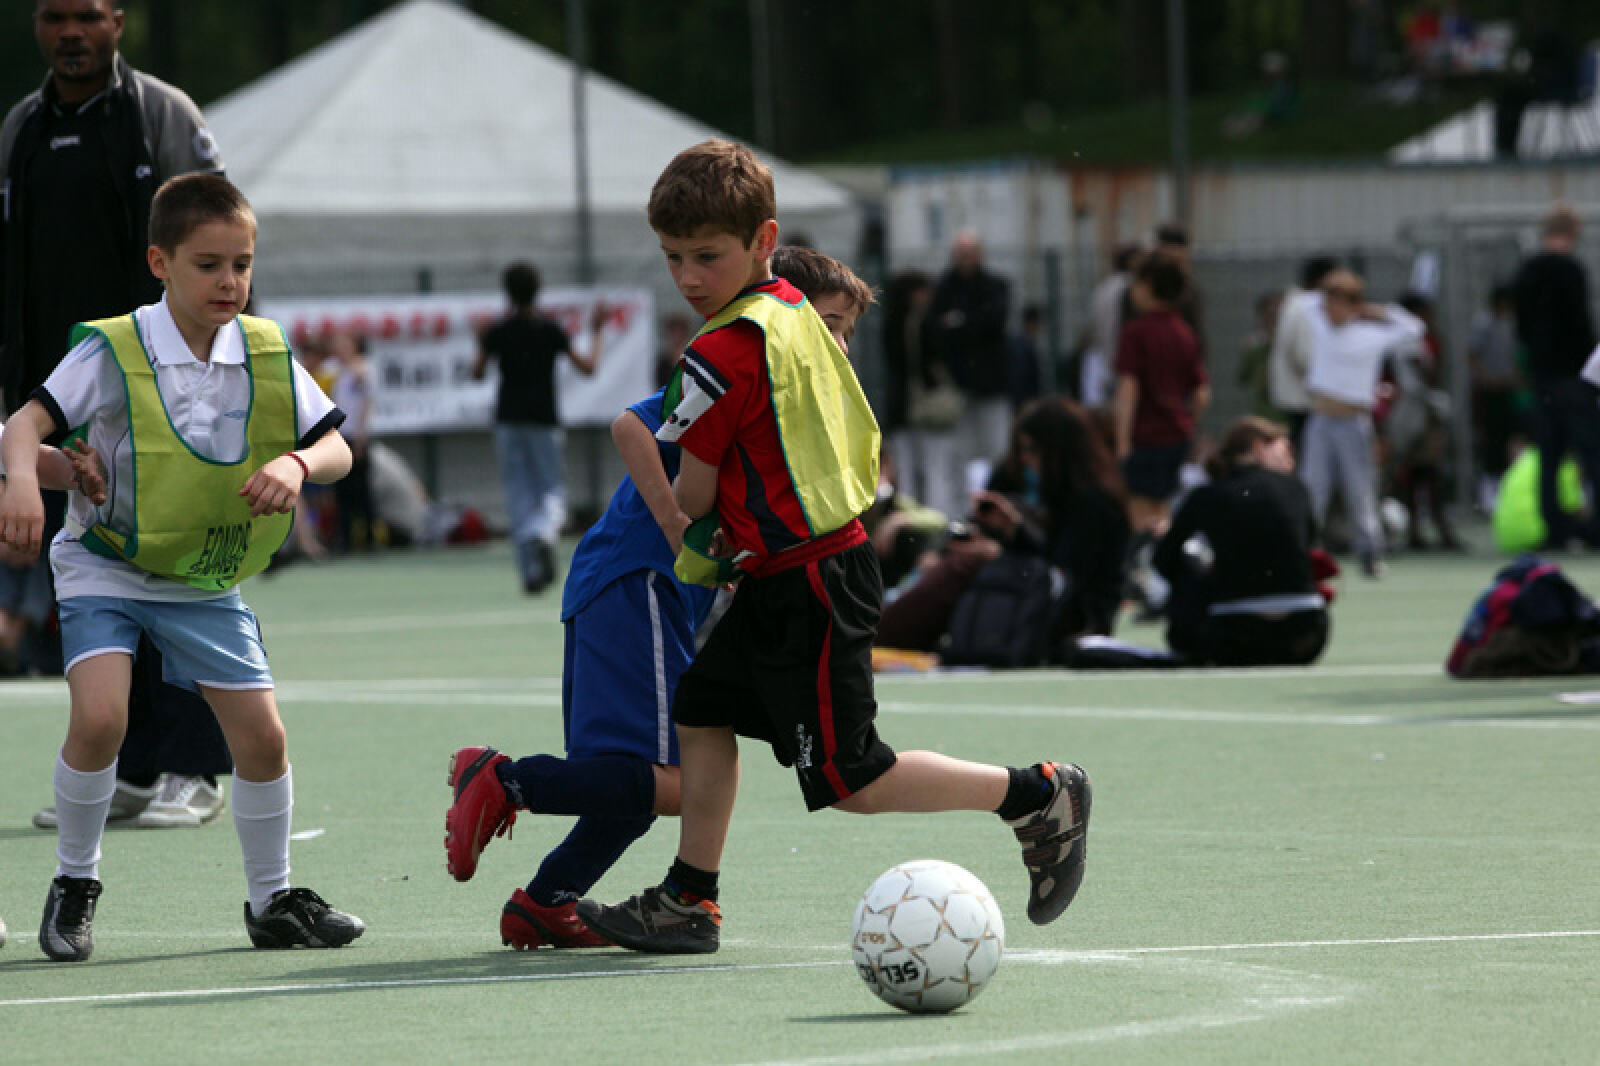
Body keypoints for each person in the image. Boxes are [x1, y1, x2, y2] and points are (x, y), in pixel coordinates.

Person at [533, 140, 1086, 955]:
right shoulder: (791, 309)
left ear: (763, 240)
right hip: (802, 568)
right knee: (702, 710)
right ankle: (689, 898)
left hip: (811, 581)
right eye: (674, 257)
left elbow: (695, 494)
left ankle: (1037, 795)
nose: (688, 277)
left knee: (854, 778)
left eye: (706, 256)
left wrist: (693, 520)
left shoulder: (717, 352)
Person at [441, 243, 877, 951]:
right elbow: (631, 426)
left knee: (637, 781)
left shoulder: (797, 401)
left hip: (634, 588)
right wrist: (677, 526)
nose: (839, 345)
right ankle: (506, 781)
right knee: (678, 782)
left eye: (847, 333)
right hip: (638, 579)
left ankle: (547, 902)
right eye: (828, 324)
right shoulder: (744, 362)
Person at [0, 173, 363, 961]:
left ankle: (272, 901)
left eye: (242, 264)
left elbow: (337, 445)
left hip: (201, 573)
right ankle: (74, 882)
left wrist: (298, 463)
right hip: (107, 562)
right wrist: (25, 481)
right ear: (160, 263)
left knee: (262, 740)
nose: (229, 281)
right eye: (209, 265)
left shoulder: (264, 350)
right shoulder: (115, 348)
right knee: (102, 719)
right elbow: (23, 426)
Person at [4, 0, 235, 830]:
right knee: (97, 572)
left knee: (177, 568)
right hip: (65, 390)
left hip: (163, 387)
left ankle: (195, 768)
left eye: (87, 16)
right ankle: (132, 769)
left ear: (118, 22)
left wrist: (216, 371)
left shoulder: (162, 115)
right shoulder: (22, 129)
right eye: (54, 16)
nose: (70, 32)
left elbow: (220, 238)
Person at [876, 396, 1131, 658]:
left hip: (1073, 618)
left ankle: (882, 633)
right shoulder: (1029, 482)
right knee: (959, 560)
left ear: (1059, 451)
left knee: (966, 566)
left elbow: (1062, 576)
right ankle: (889, 628)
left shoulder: (1093, 503)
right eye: (1022, 450)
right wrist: (1012, 531)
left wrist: (1000, 552)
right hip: (1039, 602)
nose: (1026, 460)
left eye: (1032, 450)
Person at [1154, 417, 1331, 666]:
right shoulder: (1297, 489)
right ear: (1259, 447)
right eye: (1284, 453)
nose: (1290, 463)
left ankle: (1186, 643)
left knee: (1189, 560)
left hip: (1235, 638)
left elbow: (1163, 559)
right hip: (1307, 636)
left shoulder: (1208, 494)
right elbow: (1310, 548)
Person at [473, 261, 602, 594]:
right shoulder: (549, 329)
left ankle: (529, 572)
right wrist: (598, 331)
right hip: (544, 420)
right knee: (550, 488)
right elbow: (588, 368)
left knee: (518, 493)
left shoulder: (499, 331)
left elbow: (476, 372)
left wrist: (479, 341)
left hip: (508, 420)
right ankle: (543, 533)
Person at [1299, 270, 1425, 579]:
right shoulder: (1320, 324)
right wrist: (1330, 291)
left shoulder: (1371, 335)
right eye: (1328, 303)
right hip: (1321, 422)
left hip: (1353, 423)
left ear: (1353, 306)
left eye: (1337, 304)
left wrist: (1376, 311)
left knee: (1360, 490)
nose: (1329, 310)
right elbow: (1304, 302)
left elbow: (1415, 329)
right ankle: (1303, 554)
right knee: (1313, 489)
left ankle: (1369, 553)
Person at [1512, 203, 1600, 549]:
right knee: (1592, 452)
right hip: (1573, 377)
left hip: (1543, 376)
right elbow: (1580, 324)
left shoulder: (1528, 270)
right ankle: (1596, 527)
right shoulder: (1571, 270)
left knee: (1549, 456)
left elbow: (1521, 325)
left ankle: (1554, 530)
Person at [1113, 250, 1210, 538]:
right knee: (1163, 511)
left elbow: (1128, 389)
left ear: (1147, 285)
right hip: (1176, 436)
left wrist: (1122, 441)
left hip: (1143, 437)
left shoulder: (1135, 332)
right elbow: (1202, 393)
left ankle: (1144, 563)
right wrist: (1188, 424)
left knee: (1139, 514)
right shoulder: (1185, 332)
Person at [930, 230, 1012, 499]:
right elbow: (938, 329)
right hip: (958, 384)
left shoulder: (995, 286)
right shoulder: (944, 288)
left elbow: (992, 322)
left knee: (996, 447)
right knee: (959, 452)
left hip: (990, 382)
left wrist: (959, 323)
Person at [882, 269, 961, 521]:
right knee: (935, 467)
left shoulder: (892, 322)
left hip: (901, 406)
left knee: (905, 470)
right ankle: (938, 521)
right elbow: (934, 360)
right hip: (924, 403)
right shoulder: (925, 323)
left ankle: (908, 522)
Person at [1268, 255, 1339, 444]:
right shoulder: (1308, 307)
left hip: (1299, 397)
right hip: (1305, 400)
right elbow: (1305, 356)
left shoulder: (1295, 304)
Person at [1466, 282, 1521, 510]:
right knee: (1489, 438)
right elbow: (1472, 355)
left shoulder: (1511, 323)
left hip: (1507, 388)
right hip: (1488, 390)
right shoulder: (1483, 323)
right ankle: (1488, 490)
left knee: (1508, 436)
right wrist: (1486, 378)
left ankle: (1506, 487)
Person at [329, 329, 377, 552]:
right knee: (342, 489)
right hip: (339, 435)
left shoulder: (361, 370)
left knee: (361, 489)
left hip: (355, 436)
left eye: (344, 345)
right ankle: (346, 536)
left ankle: (370, 535)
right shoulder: (335, 370)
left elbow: (366, 403)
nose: (340, 349)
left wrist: (361, 435)